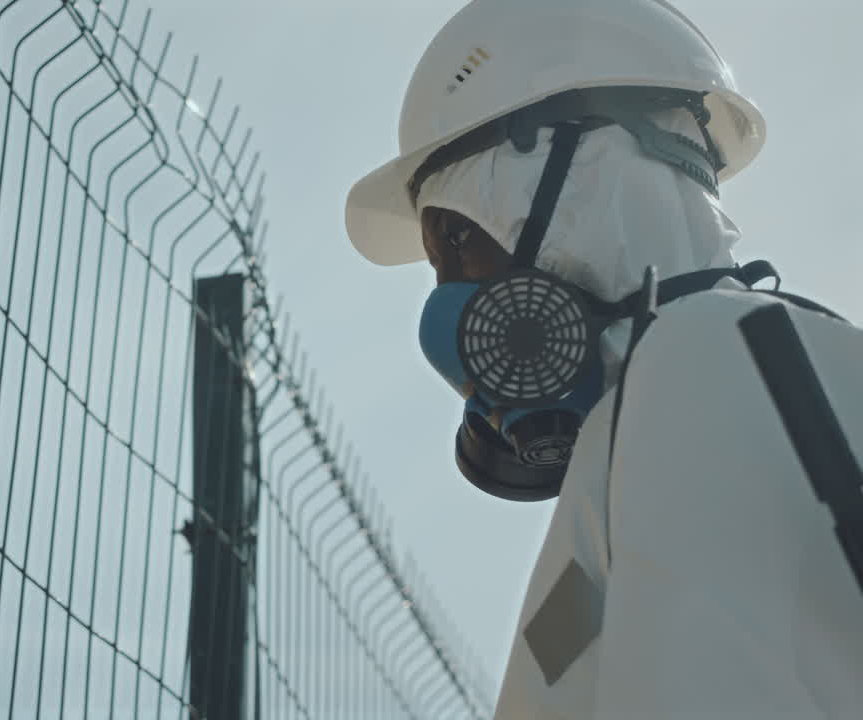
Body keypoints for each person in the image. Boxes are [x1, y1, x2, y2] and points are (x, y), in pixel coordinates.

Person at [345, 0, 863, 717]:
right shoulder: (648, 422)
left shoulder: (709, 361)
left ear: (576, 177)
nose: (452, 302)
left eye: (459, 243)